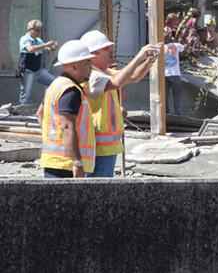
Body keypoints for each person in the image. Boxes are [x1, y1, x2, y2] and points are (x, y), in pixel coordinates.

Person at [80, 30, 160, 177]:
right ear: (93, 54)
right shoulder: (92, 75)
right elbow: (118, 82)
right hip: (97, 143)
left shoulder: (103, 71)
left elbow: (133, 77)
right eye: (106, 50)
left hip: (107, 144)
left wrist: (148, 61)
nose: (111, 52)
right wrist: (139, 56)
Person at [39, 40, 96, 178]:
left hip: (53, 161)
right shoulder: (71, 90)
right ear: (75, 66)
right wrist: (77, 162)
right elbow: (67, 126)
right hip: (66, 165)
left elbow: (39, 113)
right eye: (87, 62)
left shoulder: (56, 85)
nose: (91, 66)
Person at [18, 20, 58, 105]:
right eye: (37, 30)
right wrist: (46, 45)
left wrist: (53, 47)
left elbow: (47, 49)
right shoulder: (25, 39)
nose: (38, 32)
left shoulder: (38, 40)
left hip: (38, 70)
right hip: (27, 71)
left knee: (54, 82)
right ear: (30, 29)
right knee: (26, 95)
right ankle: (22, 113)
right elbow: (30, 49)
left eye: (39, 30)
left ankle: (48, 103)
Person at [164, 35, 185, 116]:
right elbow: (183, 48)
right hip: (175, 74)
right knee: (177, 96)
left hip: (165, 75)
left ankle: (166, 113)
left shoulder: (161, 47)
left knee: (165, 96)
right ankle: (178, 113)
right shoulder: (176, 45)